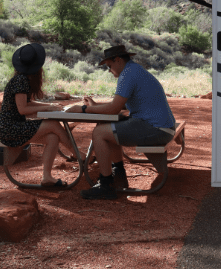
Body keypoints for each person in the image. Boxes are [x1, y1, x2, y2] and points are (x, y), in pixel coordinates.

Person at [66, 45, 176, 199]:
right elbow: (121, 104)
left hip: (156, 128)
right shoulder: (134, 70)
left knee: (99, 133)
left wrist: (83, 109)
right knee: (106, 128)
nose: (109, 70)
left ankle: (106, 185)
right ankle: (118, 177)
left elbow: (114, 108)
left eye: (109, 66)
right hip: (161, 127)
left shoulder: (128, 74)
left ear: (118, 60)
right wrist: (96, 106)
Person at [0, 43, 80, 188]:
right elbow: (23, 109)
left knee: (52, 137)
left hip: (12, 127)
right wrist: (48, 107)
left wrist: (49, 107)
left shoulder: (20, 79)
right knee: (53, 124)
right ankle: (79, 155)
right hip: (10, 129)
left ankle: (47, 177)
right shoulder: (21, 80)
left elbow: (28, 103)